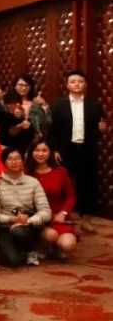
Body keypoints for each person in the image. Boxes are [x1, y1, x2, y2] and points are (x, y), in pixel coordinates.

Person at [49, 70, 107, 231]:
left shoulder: (94, 105)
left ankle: (86, 219)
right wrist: (54, 150)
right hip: (65, 150)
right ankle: (60, 216)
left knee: (88, 184)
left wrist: (103, 129)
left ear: (85, 84)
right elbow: (51, 130)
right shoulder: (58, 105)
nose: (76, 84)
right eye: (73, 81)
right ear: (67, 85)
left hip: (87, 149)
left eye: (80, 81)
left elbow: (101, 129)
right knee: (62, 183)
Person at [0, 148, 52, 267]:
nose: (14, 162)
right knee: (13, 261)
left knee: (18, 231)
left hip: (28, 227)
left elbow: (46, 211)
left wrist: (28, 221)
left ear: (23, 161)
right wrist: (12, 219)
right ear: (4, 162)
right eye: (10, 159)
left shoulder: (33, 182)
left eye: (18, 158)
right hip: (5, 228)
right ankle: (24, 252)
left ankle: (29, 250)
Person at [26, 140, 78, 258]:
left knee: (67, 245)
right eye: (37, 150)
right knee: (51, 235)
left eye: (44, 150)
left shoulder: (60, 171)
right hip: (37, 218)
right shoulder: (25, 171)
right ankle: (42, 245)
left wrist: (63, 213)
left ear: (50, 153)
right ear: (31, 152)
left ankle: (55, 246)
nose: (40, 154)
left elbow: (71, 196)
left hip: (58, 216)